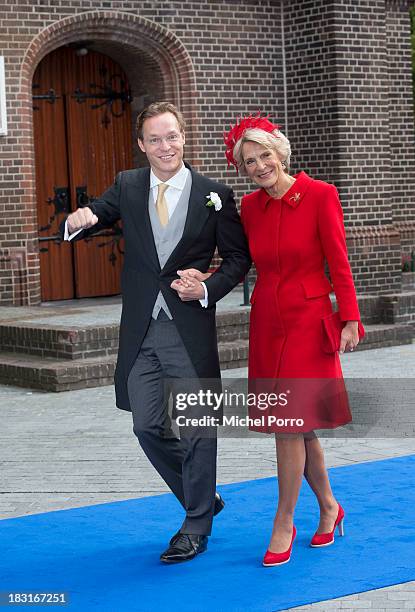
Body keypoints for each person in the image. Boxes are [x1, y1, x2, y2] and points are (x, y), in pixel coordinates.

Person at [62, 101, 251, 563]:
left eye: (172, 137)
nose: (165, 146)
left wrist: (208, 289)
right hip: (142, 329)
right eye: (155, 139)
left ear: (184, 138)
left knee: (196, 427)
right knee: (146, 425)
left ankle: (196, 524)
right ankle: (200, 494)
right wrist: (82, 218)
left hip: (188, 327)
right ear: (142, 145)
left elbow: (238, 259)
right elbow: (101, 211)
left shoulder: (215, 194)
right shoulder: (128, 185)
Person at [179, 113, 364, 567]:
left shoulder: (321, 195)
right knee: (300, 424)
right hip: (267, 322)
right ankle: (328, 507)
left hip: (309, 320)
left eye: (264, 155)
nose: (259, 166)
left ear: (279, 152)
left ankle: (284, 519)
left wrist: (350, 319)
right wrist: (209, 275)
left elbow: (339, 261)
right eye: (249, 161)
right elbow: (242, 261)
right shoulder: (251, 209)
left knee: (288, 424)